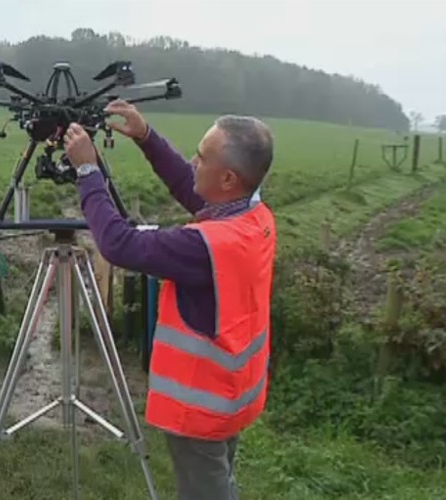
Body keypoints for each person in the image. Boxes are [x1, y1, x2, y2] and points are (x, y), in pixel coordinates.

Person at [64, 100, 276, 500]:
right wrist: (146, 137)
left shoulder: (206, 246)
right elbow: (190, 184)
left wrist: (88, 172)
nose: (193, 162)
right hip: (234, 394)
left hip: (202, 408)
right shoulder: (253, 217)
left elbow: (119, 244)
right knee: (219, 481)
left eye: (202, 157)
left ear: (228, 178)